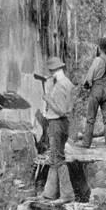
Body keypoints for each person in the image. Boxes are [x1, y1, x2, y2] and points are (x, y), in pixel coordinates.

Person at [41, 56, 76, 201]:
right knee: (55, 157)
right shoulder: (68, 83)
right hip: (63, 123)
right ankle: (49, 193)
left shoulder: (61, 85)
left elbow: (61, 110)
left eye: (51, 70)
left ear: (54, 70)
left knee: (59, 159)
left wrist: (48, 99)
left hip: (56, 123)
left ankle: (67, 195)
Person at [79, 37, 106, 150]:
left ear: (99, 48)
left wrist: (86, 84)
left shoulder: (97, 60)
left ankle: (86, 144)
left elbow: (90, 76)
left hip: (96, 89)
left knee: (90, 118)